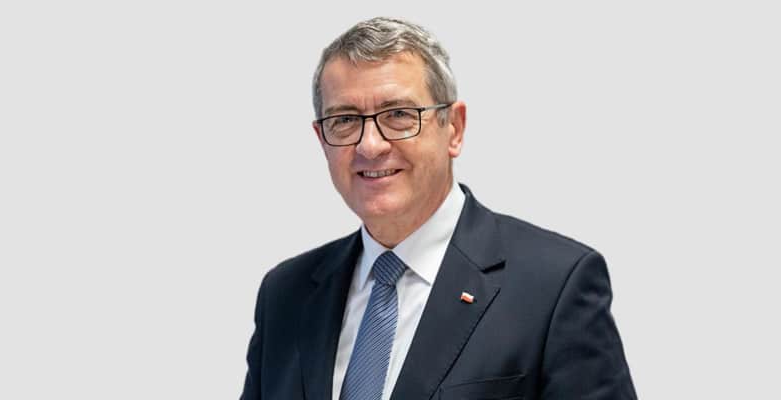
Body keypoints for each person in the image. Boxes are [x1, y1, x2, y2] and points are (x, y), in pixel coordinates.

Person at [240, 17, 637, 400]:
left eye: (399, 115)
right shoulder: (285, 296)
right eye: (345, 120)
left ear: (454, 128)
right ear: (321, 139)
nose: (370, 145)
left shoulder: (554, 286)